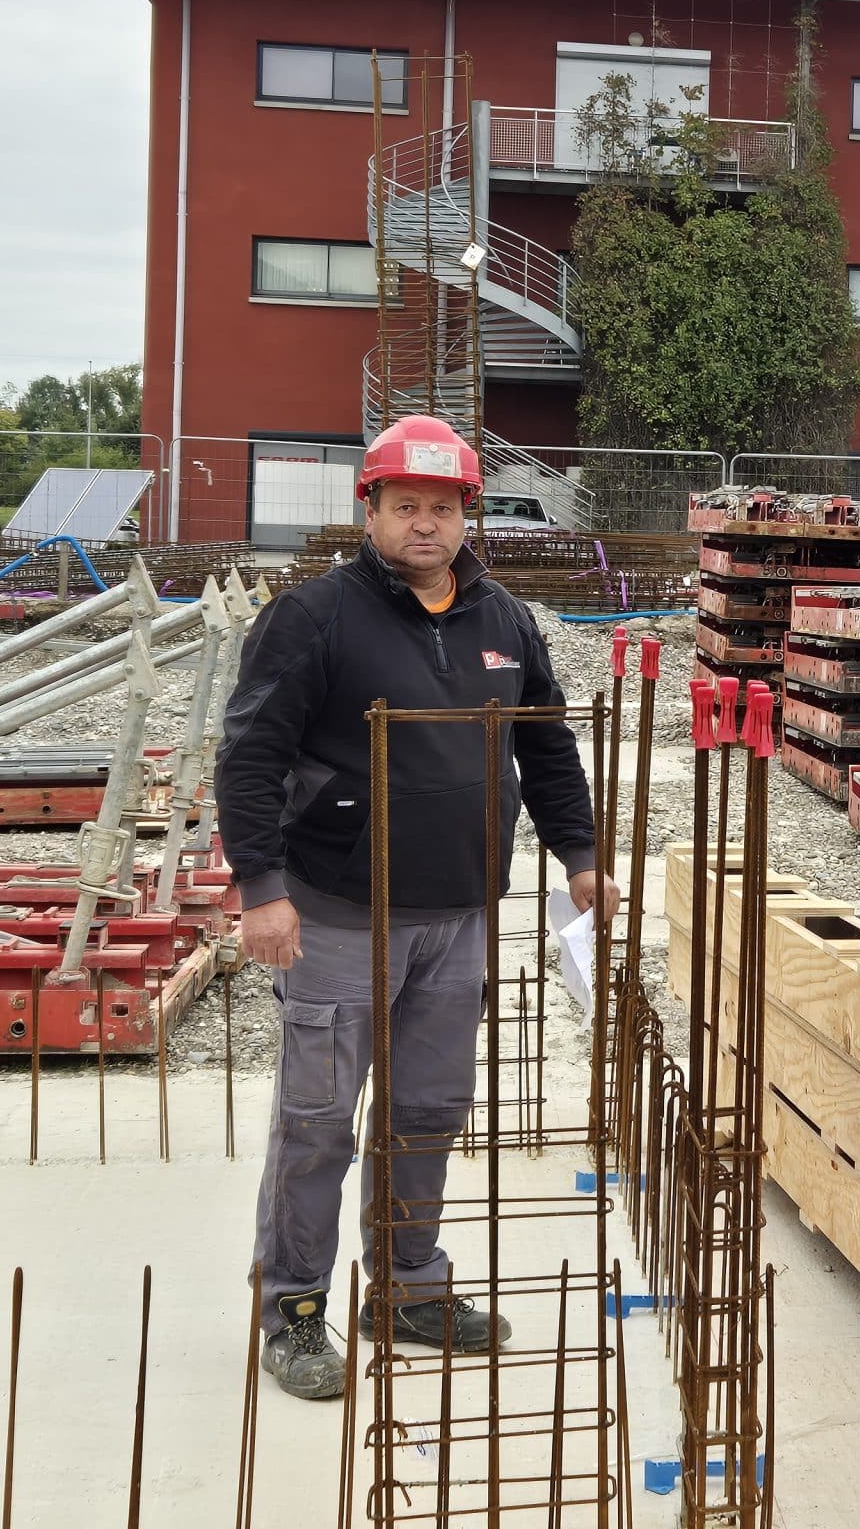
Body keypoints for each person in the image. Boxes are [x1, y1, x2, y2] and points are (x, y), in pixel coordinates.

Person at [217, 413, 616, 1401]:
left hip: (460, 912)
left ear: (466, 514)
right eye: (405, 507)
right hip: (341, 914)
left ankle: (406, 1288)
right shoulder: (314, 618)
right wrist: (260, 890)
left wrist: (579, 854)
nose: (425, 524)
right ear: (373, 510)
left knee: (429, 1112)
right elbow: (251, 757)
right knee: (317, 1121)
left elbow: (548, 748)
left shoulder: (506, 621)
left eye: (442, 508)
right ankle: (296, 1309)